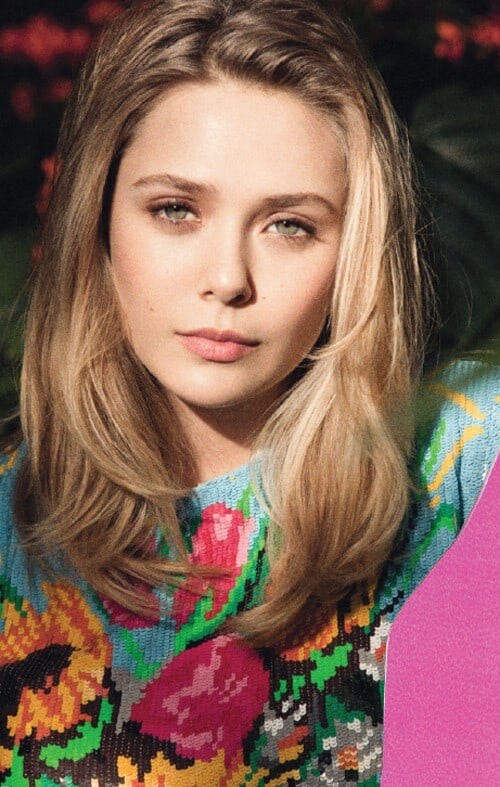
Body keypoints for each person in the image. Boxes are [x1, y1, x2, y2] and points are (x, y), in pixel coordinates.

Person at [0, 0, 497, 784]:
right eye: (175, 210)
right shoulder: (13, 522)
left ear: (355, 250)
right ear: (96, 223)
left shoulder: (459, 464)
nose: (228, 279)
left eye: (290, 225)